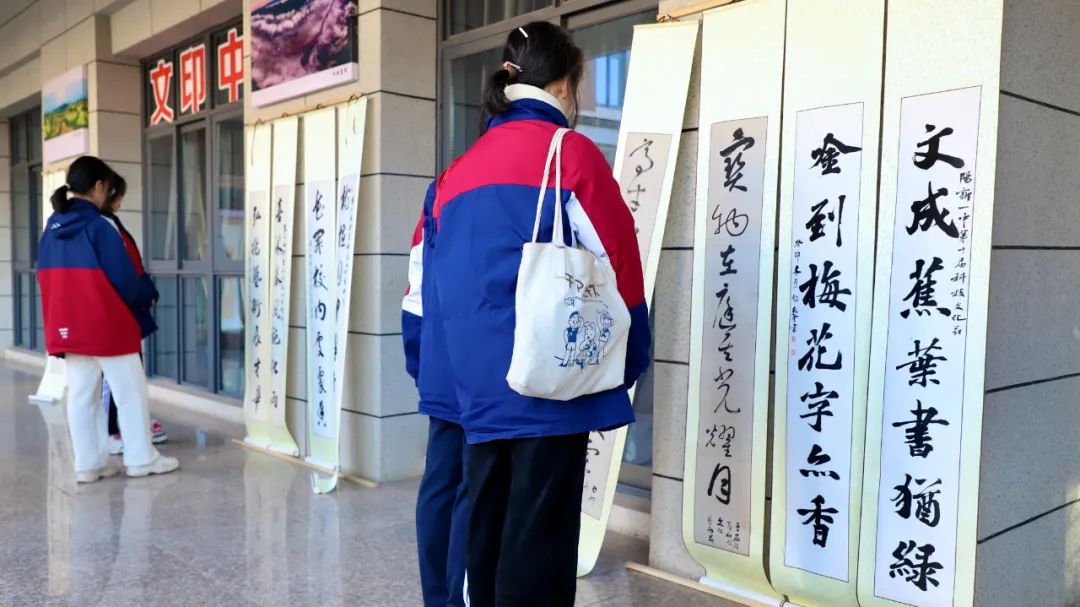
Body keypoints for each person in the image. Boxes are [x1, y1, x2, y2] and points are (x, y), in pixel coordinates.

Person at [430, 22, 651, 606]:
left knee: (486, 539)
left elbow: (436, 285)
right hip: (547, 385)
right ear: (564, 83)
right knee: (539, 551)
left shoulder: (458, 171)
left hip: (477, 391)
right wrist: (632, 355)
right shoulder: (569, 153)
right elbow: (619, 260)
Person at [37, 156, 179, 483]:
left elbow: (44, 277)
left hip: (68, 325)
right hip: (107, 324)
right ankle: (141, 458)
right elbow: (125, 279)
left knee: (81, 396)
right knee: (129, 392)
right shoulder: (101, 226)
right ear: (99, 186)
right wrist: (147, 296)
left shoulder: (52, 227)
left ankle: (88, 465)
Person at [403, 182, 469, 607]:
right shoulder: (527, 176)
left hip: (442, 360)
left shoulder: (442, 188)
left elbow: (416, 285)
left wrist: (419, 362)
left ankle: (438, 598)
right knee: (473, 487)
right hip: (496, 369)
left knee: (441, 481)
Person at [96, 174, 168, 455]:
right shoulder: (100, 226)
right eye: (118, 195)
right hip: (113, 313)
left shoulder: (109, 223)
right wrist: (143, 294)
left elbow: (131, 266)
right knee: (114, 377)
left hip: (126, 312)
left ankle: (127, 429)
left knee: (130, 374)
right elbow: (121, 273)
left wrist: (145, 293)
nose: (121, 202)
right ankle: (112, 432)